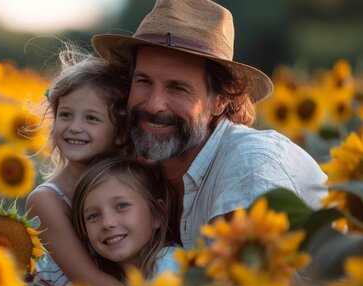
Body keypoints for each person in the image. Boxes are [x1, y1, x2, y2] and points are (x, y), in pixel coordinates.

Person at [91, 0, 327, 249]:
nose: (153, 105)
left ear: (220, 101)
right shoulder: (145, 176)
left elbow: (254, 281)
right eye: (143, 81)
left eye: (177, 88)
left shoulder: (250, 165)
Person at [25, 45, 129, 286]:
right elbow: (89, 281)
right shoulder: (47, 200)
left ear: (121, 132)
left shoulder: (130, 182)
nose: (74, 127)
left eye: (91, 118)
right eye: (66, 115)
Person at [72, 151, 181, 282]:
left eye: (121, 206)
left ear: (157, 213)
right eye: (93, 216)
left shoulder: (169, 264)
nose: (107, 223)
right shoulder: (110, 278)